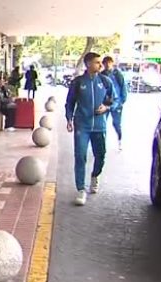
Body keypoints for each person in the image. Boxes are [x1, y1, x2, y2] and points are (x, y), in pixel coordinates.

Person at [65, 52, 119, 206]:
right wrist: (69, 118)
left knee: (100, 155)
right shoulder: (77, 82)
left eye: (100, 62)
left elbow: (115, 100)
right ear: (88, 64)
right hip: (82, 124)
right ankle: (81, 189)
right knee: (80, 155)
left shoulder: (105, 81)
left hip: (99, 126)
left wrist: (107, 107)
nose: (100, 65)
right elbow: (70, 102)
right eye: (97, 62)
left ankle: (95, 175)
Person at [101, 56, 128, 150]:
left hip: (117, 102)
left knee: (116, 123)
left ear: (112, 63)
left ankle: (120, 140)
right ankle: (102, 143)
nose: (107, 65)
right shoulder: (102, 74)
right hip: (105, 102)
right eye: (105, 63)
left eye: (109, 63)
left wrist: (122, 100)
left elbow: (123, 86)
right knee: (102, 123)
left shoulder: (117, 74)